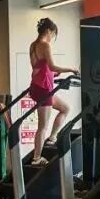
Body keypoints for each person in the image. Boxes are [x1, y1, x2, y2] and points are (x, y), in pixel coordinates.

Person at [29, 18, 77, 166]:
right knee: (42, 126)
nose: (52, 38)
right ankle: (36, 158)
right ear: (49, 31)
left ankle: (52, 138)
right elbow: (52, 66)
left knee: (65, 108)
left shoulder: (33, 45)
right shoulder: (45, 45)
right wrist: (71, 69)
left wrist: (53, 74)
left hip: (37, 86)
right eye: (53, 34)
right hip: (44, 89)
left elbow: (40, 67)